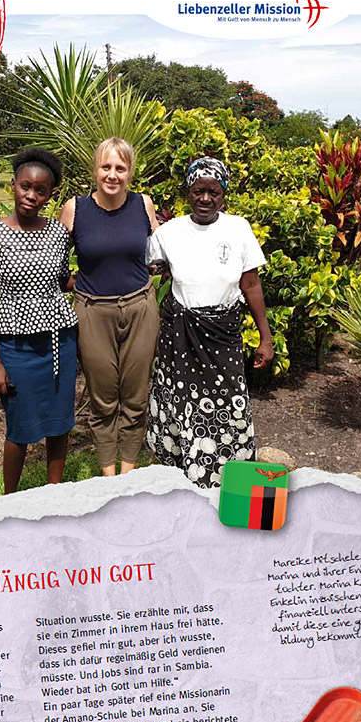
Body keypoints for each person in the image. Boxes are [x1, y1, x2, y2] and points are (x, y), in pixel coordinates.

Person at [145, 157, 274, 489]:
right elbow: (149, 272)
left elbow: (251, 284)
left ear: (224, 193)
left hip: (223, 333)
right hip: (179, 336)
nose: (205, 199)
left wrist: (265, 337)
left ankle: (231, 485)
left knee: (230, 404)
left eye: (213, 192)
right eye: (198, 191)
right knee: (181, 404)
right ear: (188, 192)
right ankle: (182, 480)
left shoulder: (238, 229)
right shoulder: (168, 233)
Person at [0, 148, 78, 494]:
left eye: (41, 191)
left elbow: (62, 280)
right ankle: (10, 500)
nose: (31, 196)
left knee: (60, 423)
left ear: (49, 196)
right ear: (13, 186)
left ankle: (54, 493)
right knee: (19, 427)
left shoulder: (58, 234)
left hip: (60, 342)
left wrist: (106, 276)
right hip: (16, 347)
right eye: (25, 187)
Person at [60, 137, 160, 477]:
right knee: (102, 397)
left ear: (130, 171)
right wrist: (78, 285)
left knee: (135, 396)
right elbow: (55, 261)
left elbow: (159, 251)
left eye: (120, 167)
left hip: (140, 308)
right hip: (92, 312)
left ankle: (128, 473)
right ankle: (109, 477)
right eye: (106, 167)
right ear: (95, 169)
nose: (112, 175)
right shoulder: (76, 209)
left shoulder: (143, 204)